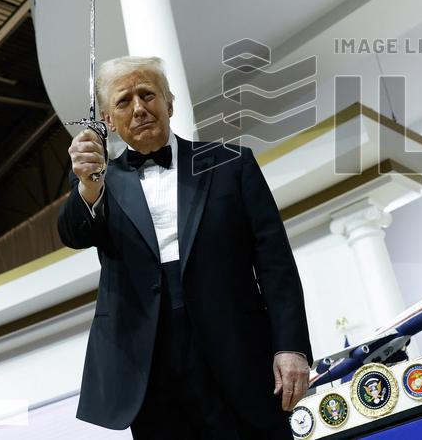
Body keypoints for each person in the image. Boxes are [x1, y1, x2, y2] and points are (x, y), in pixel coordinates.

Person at [58, 56, 312, 439]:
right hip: (149, 368)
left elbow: (275, 262)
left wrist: (290, 347)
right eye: (124, 102)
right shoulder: (100, 182)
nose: (140, 108)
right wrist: (88, 185)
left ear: (169, 103)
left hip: (238, 353)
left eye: (148, 95)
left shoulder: (231, 163)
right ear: (108, 120)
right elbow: (73, 233)